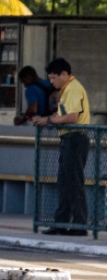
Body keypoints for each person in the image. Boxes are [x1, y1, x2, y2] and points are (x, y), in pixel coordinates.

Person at [34, 58, 90, 236]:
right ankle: (61, 222)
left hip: (75, 139)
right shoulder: (66, 90)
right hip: (68, 139)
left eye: (53, 78)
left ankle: (79, 224)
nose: (51, 82)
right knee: (64, 183)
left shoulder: (73, 89)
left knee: (74, 182)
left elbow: (72, 117)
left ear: (64, 74)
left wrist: (48, 120)